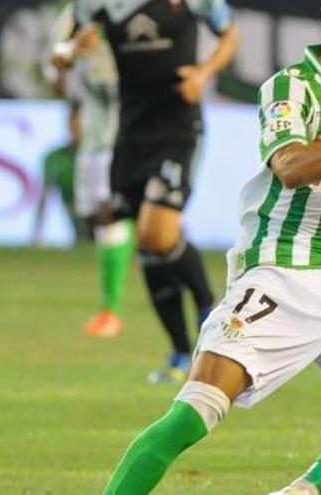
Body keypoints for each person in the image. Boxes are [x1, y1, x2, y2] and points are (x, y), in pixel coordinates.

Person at [98, 0, 321, 493]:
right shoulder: (292, 86)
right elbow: (291, 167)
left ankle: (306, 488)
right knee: (193, 413)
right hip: (282, 275)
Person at [57, 0, 240, 382]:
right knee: (148, 243)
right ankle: (178, 352)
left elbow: (230, 34)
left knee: (156, 232)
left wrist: (204, 74)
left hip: (177, 130)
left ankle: (208, 304)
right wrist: (70, 52)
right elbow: (67, 45)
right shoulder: (100, 5)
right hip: (129, 136)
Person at [51, 3, 132, 338]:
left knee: (118, 214)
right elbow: (56, 68)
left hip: (133, 128)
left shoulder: (143, 11)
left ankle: (111, 309)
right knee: (104, 217)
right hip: (95, 132)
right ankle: (109, 309)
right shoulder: (77, 12)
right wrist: (72, 51)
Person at [31, 104, 87, 245]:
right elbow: (44, 197)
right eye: (72, 121)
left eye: (79, 122)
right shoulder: (54, 157)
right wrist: (36, 234)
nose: (75, 128)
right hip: (77, 227)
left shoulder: (102, 157)